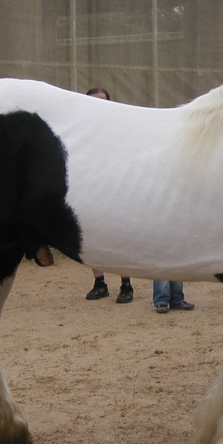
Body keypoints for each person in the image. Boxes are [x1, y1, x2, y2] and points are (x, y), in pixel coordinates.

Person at [83, 87, 134, 304]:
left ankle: (126, 283)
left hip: (116, 188)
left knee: (121, 234)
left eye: (103, 101)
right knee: (91, 234)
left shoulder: (118, 128)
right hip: (91, 187)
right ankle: (100, 283)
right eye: (95, 102)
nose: (100, 106)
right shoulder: (82, 130)